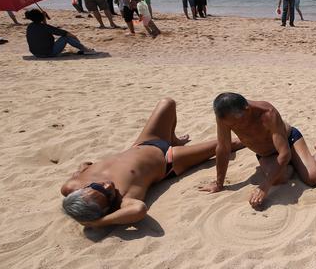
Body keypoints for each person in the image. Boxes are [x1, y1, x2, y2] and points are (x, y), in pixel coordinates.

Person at [61, 98, 242, 228]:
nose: (108, 185)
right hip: (169, 159)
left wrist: (84, 169)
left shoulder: (71, 186)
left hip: (143, 142)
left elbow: (83, 164)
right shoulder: (125, 199)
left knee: (167, 103)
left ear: (82, 190)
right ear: (108, 208)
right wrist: (98, 223)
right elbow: (139, 210)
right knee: (228, 144)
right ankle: (176, 146)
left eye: (97, 187)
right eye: (107, 194)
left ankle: (174, 138)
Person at [200, 93, 316, 209]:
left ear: (247, 110)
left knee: (314, 178)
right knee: (278, 179)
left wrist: (263, 187)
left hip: (289, 141)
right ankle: (292, 166)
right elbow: (223, 148)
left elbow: (284, 153)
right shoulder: (225, 116)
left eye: (235, 123)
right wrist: (219, 183)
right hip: (266, 153)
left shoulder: (267, 113)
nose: (232, 127)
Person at [24, 8, 95, 57]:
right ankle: (85, 49)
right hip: (48, 53)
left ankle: (82, 48)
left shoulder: (30, 26)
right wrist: (75, 38)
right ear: (40, 17)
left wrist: (43, 18)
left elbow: (43, 28)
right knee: (66, 38)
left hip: (36, 54)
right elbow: (64, 33)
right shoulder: (45, 27)